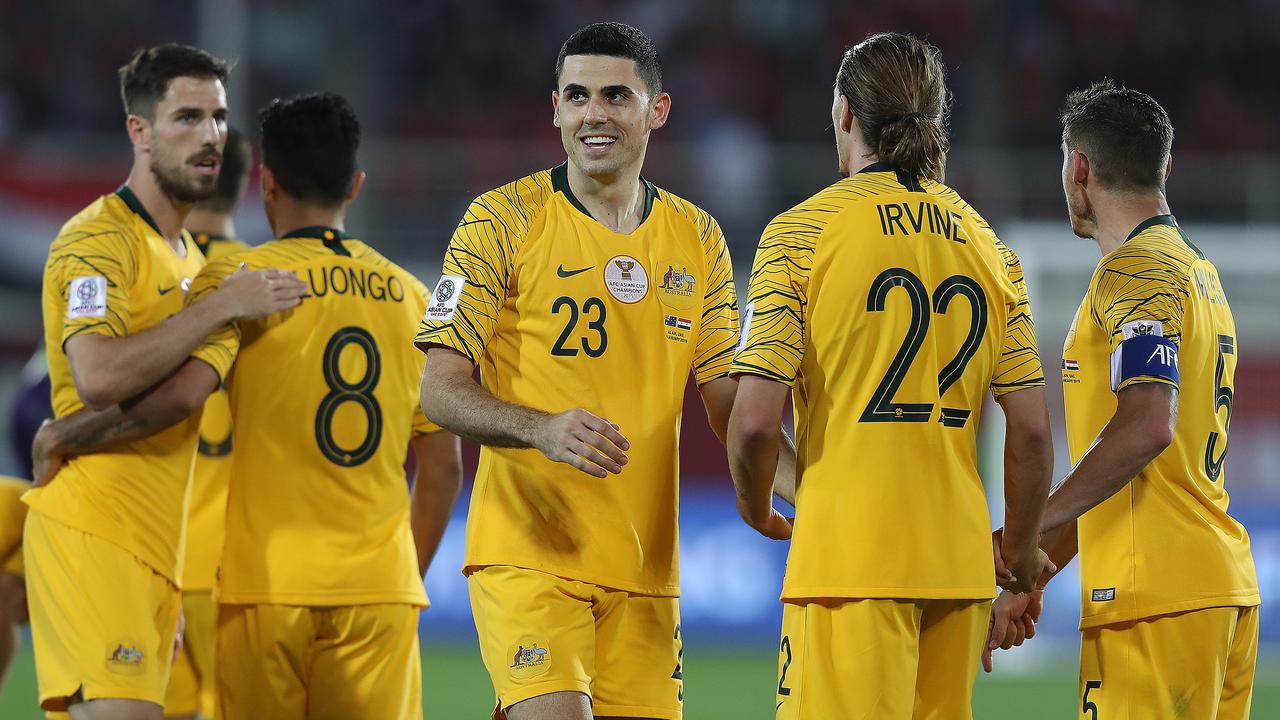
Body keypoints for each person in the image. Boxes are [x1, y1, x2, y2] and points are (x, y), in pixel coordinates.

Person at [35, 91, 462, 719]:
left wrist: (69, 433)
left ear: (266, 184)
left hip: (265, 587)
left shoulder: (240, 287)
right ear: (356, 185)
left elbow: (178, 398)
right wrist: (404, 578)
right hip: (378, 591)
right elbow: (444, 468)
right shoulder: (413, 298)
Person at [416, 21, 755, 720]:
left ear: (656, 111)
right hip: (528, 553)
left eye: (615, 96)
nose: (593, 113)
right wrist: (539, 428)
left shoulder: (699, 238)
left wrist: (802, 486)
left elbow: (728, 406)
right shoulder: (501, 220)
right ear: (555, 109)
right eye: (576, 96)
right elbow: (440, 391)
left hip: (647, 574)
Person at [727, 32, 1055, 719]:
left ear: (845, 114)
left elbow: (755, 421)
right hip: (958, 565)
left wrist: (758, 506)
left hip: (848, 558)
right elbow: (1028, 431)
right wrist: (1020, 560)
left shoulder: (799, 234)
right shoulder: (991, 248)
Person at [24, 44, 307, 719]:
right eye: (186, 117)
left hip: (157, 552)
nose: (209, 135)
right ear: (139, 131)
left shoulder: (185, 257)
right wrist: (217, 309)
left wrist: (68, 432)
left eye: (217, 117)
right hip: (96, 533)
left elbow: (182, 398)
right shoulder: (98, 241)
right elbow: (95, 374)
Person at [989, 80, 1260, 719]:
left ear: (1077, 168)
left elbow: (1146, 429)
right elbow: (1137, 473)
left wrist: (1027, 529)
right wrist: (1038, 567)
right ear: (1165, 167)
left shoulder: (1134, 272)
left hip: (1153, 604)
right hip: (1218, 593)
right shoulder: (1198, 272)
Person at [162, 126, 253, 720]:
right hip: (241, 563)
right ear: (249, 186)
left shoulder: (155, 281)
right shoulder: (264, 285)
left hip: (159, 553)